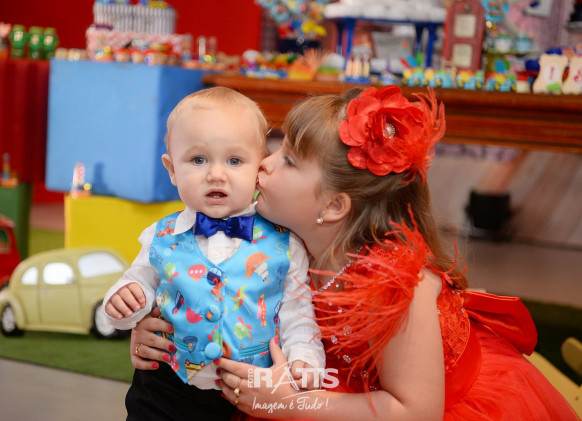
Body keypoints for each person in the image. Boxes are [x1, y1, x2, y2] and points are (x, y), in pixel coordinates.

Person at [129, 85, 580, 420]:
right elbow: (213, 291)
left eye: (288, 159)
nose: (263, 162)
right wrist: (158, 326)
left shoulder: (399, 284)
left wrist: (292, 405)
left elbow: (416, 411)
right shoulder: (274, 233)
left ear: (332, 207)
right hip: (322, 387)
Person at [103, 87, 324, 421]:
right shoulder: (160, 236)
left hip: (245, 391)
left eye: (234, 161)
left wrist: (304, 355)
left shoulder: (284, 242)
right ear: (172, 169)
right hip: (164, 387)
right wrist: (124, 301)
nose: (216, 174)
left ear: (259, 168)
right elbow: (139, 284)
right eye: (198, 160)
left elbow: (296, 310)